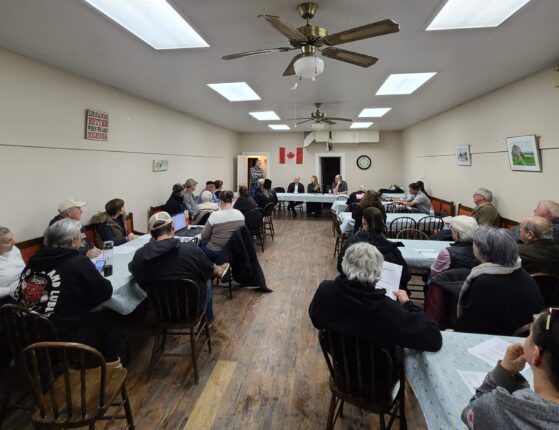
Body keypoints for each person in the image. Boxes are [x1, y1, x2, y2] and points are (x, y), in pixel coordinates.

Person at [14, 219, 121, 361]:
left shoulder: (34, 260)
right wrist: (97, 277)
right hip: (59, 337)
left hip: (28, 332)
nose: (82, 239)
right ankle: (110, 365)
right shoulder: (78, 262)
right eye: (80, 236)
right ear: (72, 241)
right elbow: (105, 292)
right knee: (112, 315)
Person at [310, 242, 442, 354]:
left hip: (341, 364)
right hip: (380, 377)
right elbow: (434, 339)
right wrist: (408, 303)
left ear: (344, 265)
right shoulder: (388, 308)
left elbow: (317, 321)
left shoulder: (326, 290)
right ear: (379, 272)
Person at [461, 308, 559, 429]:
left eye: (529, 334)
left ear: (536, 355)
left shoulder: (501, 407)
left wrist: (503, 371)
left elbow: (472, 412)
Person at [128, 212, 231, 326]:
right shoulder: (190, 249)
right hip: (192, 307)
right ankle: (209, 319)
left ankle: (217, 270)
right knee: (205, 277)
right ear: (172, 226)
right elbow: (206, 271)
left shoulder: (139, 256)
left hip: (161, 309)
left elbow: (137, 276)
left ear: (151, 233)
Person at [455, 226, 544, 335]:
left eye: (474, 243)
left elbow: (470, 324)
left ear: (482, 250)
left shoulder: (486, 282)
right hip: (526, 334)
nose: (472, 245)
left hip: (503, 339)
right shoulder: (522, 273)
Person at [338, 207, 411, 292]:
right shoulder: (392, 249)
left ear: (364, 221)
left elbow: (341, 266)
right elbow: (405, 275)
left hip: (353, 290)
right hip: (384, 294)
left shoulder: (352, 243)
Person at [200, 191, 245, 260]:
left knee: (199, 244)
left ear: (221, 201)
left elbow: (204, 236)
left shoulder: (215, 215)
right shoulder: (240, 214)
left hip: (215, 251)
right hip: (234, 250)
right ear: (232, 200)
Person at [0, 227, 25, 305]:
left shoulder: (14, 249)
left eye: (12, 238)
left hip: (23, 289)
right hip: (5, 300)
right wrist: (9, 289)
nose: (14, 242)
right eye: (8, 241)